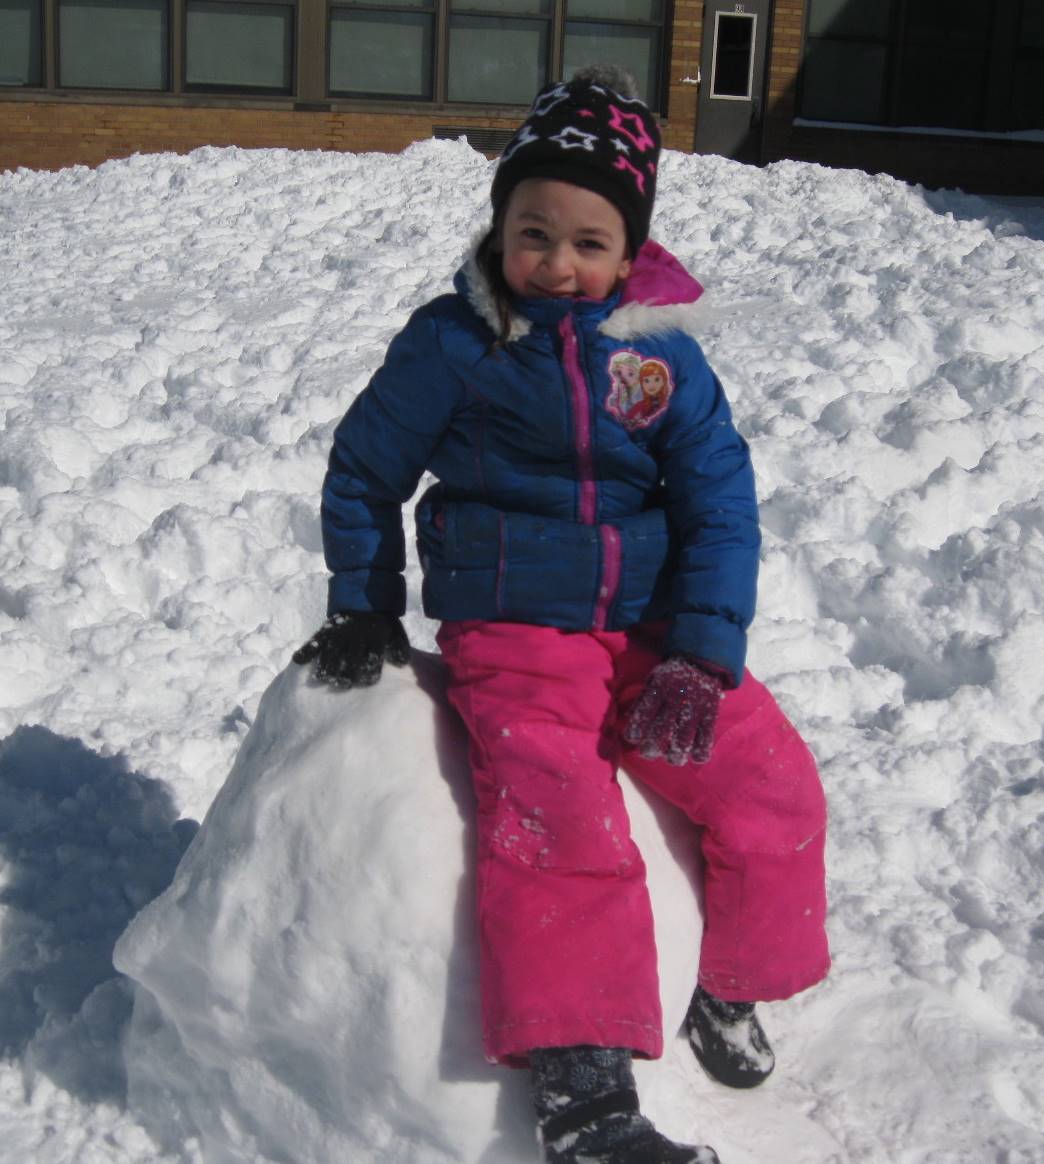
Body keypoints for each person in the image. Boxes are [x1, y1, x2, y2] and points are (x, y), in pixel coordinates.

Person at [294, 65, 829, 1164]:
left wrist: (702, 651)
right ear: (498, 230)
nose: (559, 262)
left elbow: (720, 502)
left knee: (768, 778)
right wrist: (363, 605)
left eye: (590, 241)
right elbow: (363, 471)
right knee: (556, 812)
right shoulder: (453, 343)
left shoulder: (662, 355)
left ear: (629, 253)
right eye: (534, 231)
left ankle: (726, 983)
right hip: (515, 626)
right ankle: (583, 1090)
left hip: (644, 626)